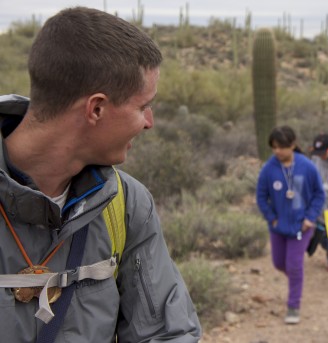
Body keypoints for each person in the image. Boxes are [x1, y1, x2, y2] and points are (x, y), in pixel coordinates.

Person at [0, 8, 202, 342]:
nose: (149, 122)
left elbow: (168, 332)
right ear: (96, 108)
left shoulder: (125, 204)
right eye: (142, 107)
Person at [256, 126, 325, 324]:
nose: (277, 151)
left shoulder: (307, 166)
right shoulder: (269, 169)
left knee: (294, 265)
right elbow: (261, 196)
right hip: (278, 227)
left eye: (282, 147)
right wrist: (272, 217)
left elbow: (319, 194)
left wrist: (310, 217)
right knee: (279, 263)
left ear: (293, 145)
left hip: (302, 227)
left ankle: (293, 306)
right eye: (274, 147)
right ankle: (298, 280)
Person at [309, 133, 328, 272]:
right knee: (321, 232)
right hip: (320, 201)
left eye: (323, 152)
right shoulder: (316, 158)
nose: (320, 155)